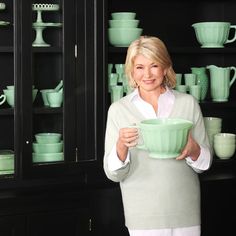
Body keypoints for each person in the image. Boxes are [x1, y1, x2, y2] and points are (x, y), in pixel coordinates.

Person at [103, 36, 212, 236]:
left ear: (165, 67)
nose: (147, 74)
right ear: (131, 71)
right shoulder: (119, 110)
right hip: (142, 214)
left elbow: (204, 164)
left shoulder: (188, 104)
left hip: (185, 211)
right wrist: (121, 146)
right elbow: (113, 174)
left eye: (154, 65)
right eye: (140, 67)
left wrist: (194, 149)